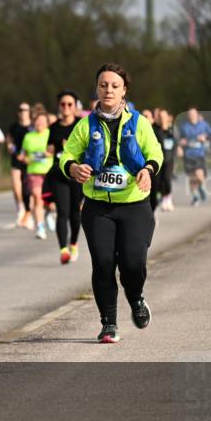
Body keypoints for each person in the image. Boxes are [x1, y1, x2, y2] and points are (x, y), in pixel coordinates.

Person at [59, 63, 162, 343]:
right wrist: (73, 169)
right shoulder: (86, 125)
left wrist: (147, 170)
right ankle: (109, 323)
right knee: (103, 263)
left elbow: (155, 153)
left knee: (132, 264)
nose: (108, 90)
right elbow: (66, 155)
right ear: (96, 88)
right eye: (103, 85)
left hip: (134, 205)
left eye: (115, 85)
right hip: (97, 207)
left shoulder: (139, 123)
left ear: (124, 90)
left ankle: (137, 298)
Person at [47, 91, 83, 263]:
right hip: (59, 174)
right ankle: (63, 249)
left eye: (70, 104)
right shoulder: (53, 127)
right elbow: (49, 149)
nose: (66, 107)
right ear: (58, 106)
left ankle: (74, 243)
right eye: (63, 104)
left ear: (75, 107)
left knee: (75, 214)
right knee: (62, 212)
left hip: (77, 175)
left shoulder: (81, 125)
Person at [19, 111, 52, 240]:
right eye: (38, 122)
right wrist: (25, 158)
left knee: (50, 202)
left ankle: (48, 213)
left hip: (49, 172)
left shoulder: (51, 134)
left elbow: (56, 151)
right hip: (33, 172)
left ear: (47, 123)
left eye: (43, 122)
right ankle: (40, 227)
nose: (40, 124)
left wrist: (46, 154)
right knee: (37, 198)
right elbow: (24, 155)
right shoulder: (28, 136)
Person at [178, 107, 211, 207]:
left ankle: (201, 187)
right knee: (192, 177)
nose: (192, 116)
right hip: (188, 154)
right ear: (188, 116)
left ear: (197, 114)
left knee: (200, 176)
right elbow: (179, 139)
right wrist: (180, 145)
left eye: (193, 114)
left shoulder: (203, 124)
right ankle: (195, 197)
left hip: (199, 154)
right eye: (190, 114)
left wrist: (205, 137)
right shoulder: (184, 126)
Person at [7, 103, 34, 229]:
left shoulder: (33, 127)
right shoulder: (13, 127)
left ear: (29, 112)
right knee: (16, 188)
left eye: (25, 110)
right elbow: (9, 141)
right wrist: (11, 149)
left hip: (30, 161)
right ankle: (21, 209)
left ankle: (29, 214)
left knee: (28, 190)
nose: (23, 112)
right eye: (20, 110)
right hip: (16, 159)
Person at [152, 109, 176, 212]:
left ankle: (168, 198)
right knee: (159, 181)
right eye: (160, 117)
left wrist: (166, 129)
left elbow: (175, 142)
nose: (162, 118)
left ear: (168, 117)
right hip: (160, 158)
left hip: (169, 158)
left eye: (164, 116)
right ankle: (162, 199)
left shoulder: (172, 129)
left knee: (167, 178)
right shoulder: (155, 129)